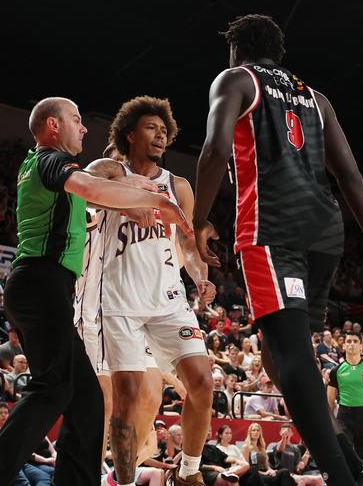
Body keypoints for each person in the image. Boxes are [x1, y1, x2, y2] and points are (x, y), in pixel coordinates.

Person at [193, 14, 363, 486]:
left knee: (292, 362)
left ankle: (343, 476)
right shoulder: (315, 98)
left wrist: (199, 221)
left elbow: (213, 148)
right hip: (326, 236)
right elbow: (351, 178)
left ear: (235, 50)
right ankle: (353, 461)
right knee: (276, 355)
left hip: (274, 229)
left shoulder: (236, 79)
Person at [0, 96, 191, 486]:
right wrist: (157, 198)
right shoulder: (50, 159)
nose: (85, 127)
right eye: (77, 119)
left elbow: (98, 195)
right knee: (53, 389)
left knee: (88, 401)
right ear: (53, 126)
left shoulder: (47, 170)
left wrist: (129, 193)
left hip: (45, 287)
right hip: (40, 282)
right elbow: (92, 186)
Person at [88, 95, 215, 486]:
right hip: (119, 299)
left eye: (164, 131)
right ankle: (122, 482)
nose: (160, 136)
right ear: (129, 133)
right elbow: (87, 185)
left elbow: (190, 246)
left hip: (167, 300)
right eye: (150, 128)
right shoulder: (109, 169)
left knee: (203, 381)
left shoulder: (178, 185)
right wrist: (126, 200)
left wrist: (199, 276)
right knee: (126, 397)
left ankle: (188, 473)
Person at [327, 332, 363, 462]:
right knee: (344, 455)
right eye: (349, 341)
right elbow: (329, 401)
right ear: (344, 345)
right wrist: (330, 423)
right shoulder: (336, 371)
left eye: (355, 341)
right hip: (344, 417)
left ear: (361, 346)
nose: (352, 344)